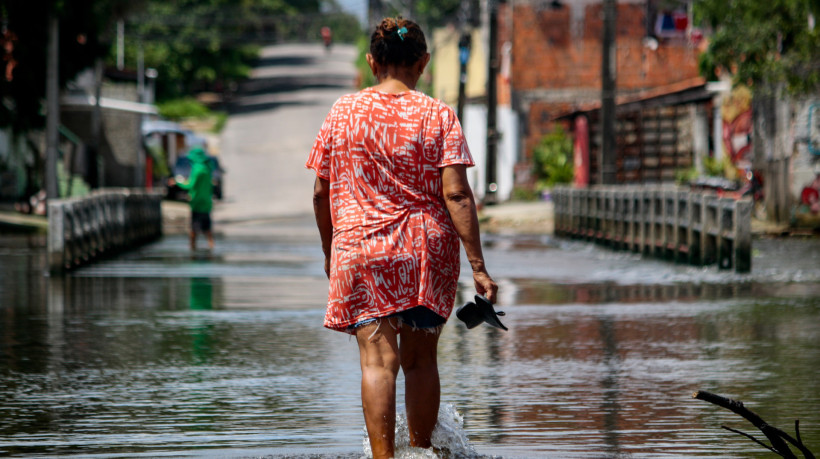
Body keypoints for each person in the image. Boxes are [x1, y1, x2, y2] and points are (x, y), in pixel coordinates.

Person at [306, 17, 498, 458]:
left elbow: (321, 192)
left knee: (378, 362)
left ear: (372, 62)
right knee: (420, 362)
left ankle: (383, 458)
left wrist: (329, 249)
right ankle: (422, 452)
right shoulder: (438, 114)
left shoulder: (342, 112)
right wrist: (479, 267)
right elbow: (456, 193)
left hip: (360, 249)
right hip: (423, 253)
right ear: (423, 62)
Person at [170, 147, 215, 251]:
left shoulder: (197, 169)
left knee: (194, 229)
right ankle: (211, 246)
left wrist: (177, 182)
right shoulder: (207, 168)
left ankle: (192, 249)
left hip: (197, 203)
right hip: (207, 203)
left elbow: (190, 185)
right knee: (207, 228)